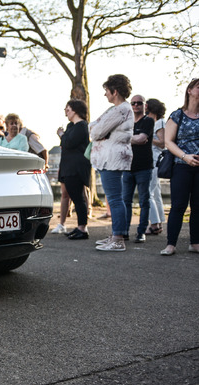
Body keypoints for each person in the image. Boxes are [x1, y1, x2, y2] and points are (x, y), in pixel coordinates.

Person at [89, 74, 134, 252]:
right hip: (113, 158)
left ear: (114, 91)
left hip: (112, 159)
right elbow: (95, 127)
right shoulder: (121, 109)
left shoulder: (120, 109)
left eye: (107, 91)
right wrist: (97, 128)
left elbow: (95, 131)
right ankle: (117, 234)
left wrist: (98, 129)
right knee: (116, 199)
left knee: (115, 199)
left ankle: (118, 239)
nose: (105, 95)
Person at [160, 78, 199, 256]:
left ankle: (195, 243)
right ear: (189, 91)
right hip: (182, 166)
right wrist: (185, 156)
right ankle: (171, 244)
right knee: (178, 205)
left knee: (198, 206)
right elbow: (168, 141)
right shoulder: (177, 115)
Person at [56, 99, 91, 239]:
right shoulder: (71, 126)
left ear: (75, 110)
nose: (66, 112)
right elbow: (64, 144)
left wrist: (61, 135)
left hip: (76, 167)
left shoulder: (82, 126)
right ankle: (79, 226)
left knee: (78, 198)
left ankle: (82, 228)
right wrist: (63, 136)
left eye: (68, 109)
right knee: (75, 197)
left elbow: (68, 143)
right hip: (68, 166)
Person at [122, 94, 154, 243]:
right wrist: (134, 139)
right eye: (133, 103)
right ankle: (125, 231)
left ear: (144, 105)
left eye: (139, 103)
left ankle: (141, 232)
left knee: (144, 201)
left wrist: (126, 139)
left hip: (144, 167)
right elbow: (137, 139)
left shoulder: (148, 121)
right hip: (127, 167)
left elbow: (142, 139)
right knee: (125, 201)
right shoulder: (127, 122)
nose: (136, 106)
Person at [145, 98, 166, 235]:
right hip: (153, 160)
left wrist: (146, 138)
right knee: (155, 192)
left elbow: (162, 142)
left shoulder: (159, 122)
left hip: (153, 160)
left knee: (148, 192)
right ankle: (158, 222)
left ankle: (153, 224)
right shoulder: (155, 122)